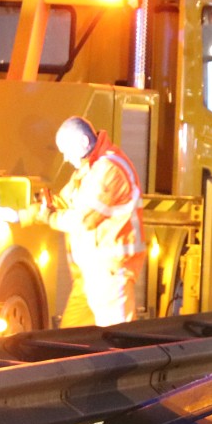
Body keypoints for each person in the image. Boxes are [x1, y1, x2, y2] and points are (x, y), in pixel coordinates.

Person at [46, 116, 145, 326]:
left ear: (83, 142)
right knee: (69, 338)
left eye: (66, 150)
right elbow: (65, 201)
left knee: (116, 340)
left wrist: (48, 217)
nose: (65, 158)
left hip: (110, 274)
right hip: (91, 274)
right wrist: (38, 207)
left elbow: (85, 220)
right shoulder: (91, 168)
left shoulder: (109, 169)